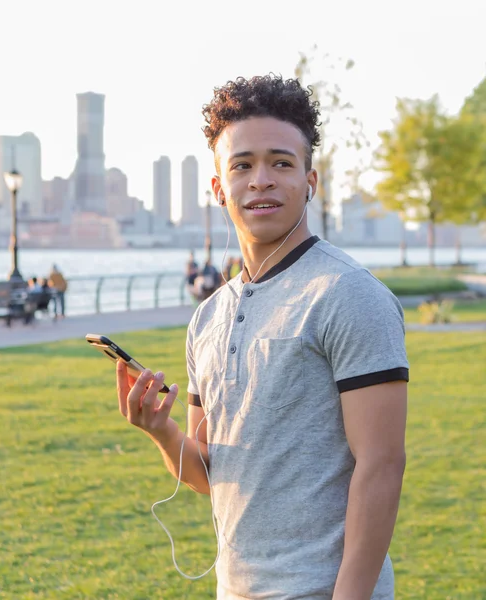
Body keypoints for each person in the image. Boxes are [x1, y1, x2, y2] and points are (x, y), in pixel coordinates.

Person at [115, 75, 408, 600]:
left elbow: (382, 465)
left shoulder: (347, 294)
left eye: (281, 162)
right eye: (242, 164)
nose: (261, 180)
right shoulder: (206, 319)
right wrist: (159, 431)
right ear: (217, 187)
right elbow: (210, 473)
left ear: (310, 180)